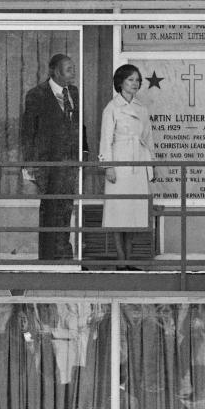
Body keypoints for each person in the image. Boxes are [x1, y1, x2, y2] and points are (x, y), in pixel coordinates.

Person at [21, 53, 86, 261]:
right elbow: (28, 131)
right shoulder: (37, 94)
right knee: (50, 210)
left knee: (66, 209)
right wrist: (29, 166)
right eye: (68, 69)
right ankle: (48, 257)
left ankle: (64, 254)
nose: (73, 72)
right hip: (47, 164)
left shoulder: (73, 92)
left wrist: (84, 152)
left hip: (70, 163)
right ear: (55, 72)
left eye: (73, 67)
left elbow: (80, 126)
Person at [99, 64, 153, 269]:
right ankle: (120, 260)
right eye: (130, 79)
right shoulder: (111, 108)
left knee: (134, 213)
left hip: (138, 163)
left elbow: (148, 139)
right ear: (120, 82)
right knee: (118, 212)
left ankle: (129, 260)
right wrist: (108, 166)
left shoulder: (142, 109)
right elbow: (105, 139)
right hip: (119, 165)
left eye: (137, 80)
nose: (135, 83)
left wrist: (151, 166)